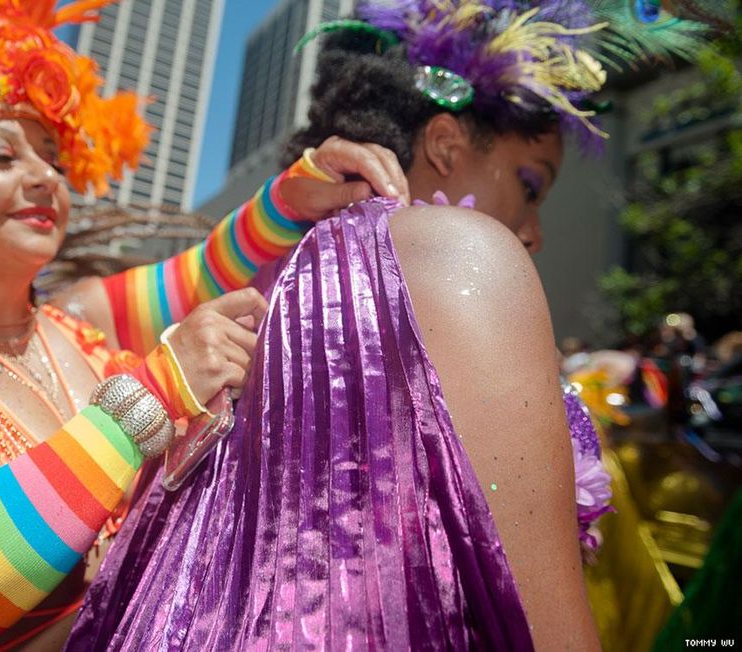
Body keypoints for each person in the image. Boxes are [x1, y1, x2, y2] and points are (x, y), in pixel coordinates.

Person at [65, 1, 711, 650]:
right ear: (445, 144)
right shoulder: (464, 255)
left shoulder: (277, 279)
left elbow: (81, 307)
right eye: (530, 186)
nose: (534, 232)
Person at [0, 1, 404, 649]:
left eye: (54, 162)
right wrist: (148, 400)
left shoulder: (81, 320)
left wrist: (293, 195)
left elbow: (206, 270)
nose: (44, 177)